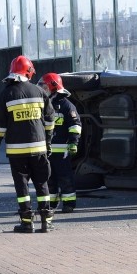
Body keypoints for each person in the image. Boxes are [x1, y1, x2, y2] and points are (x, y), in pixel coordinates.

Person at [0, 56, 56, 233]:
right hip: (39, 149)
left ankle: (27, 223)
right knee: (42, 183)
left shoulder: (6, 94)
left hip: (17, 151)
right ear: (29, 72)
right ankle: (46, 222)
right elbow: (50, 121)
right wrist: (48, 142)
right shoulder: (40, 92)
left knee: (22, 186)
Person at [39, 73, 82, 213]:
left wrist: (73, 142)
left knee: (65, 178)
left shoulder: (66, 106)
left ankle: (69, 203)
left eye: (44, 86)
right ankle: (51, 202)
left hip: (62, 151)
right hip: (47, 150)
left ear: (53, 87)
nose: (42, 89)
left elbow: (75, 125)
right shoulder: (43, 104)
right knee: (49, 178)